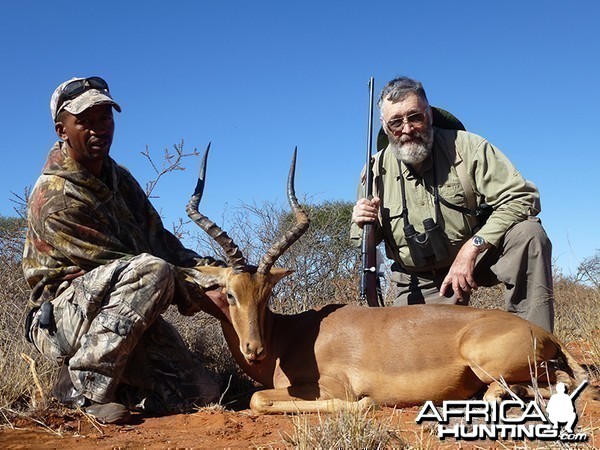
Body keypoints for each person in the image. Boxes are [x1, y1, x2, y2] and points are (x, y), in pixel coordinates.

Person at [23, 76, 231, 424]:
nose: (99, 129)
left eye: (105, 118)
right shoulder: (56, 197)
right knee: (153, 270)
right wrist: (198, 293)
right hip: (63, 318)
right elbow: (129, 264)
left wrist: (220, 273)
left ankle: (122, 384)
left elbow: (160, 241)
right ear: (62, 130)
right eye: (85, 121)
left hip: (117, 309)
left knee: (204, 394)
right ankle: (82, 388)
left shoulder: (119, 176)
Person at [351, 76, 554, 332]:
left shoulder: (468, 147)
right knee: (418, 358)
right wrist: (362, 222)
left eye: (415, 117)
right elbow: (365, 240)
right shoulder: (373, 170)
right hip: (419, 277)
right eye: (396, 122)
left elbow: (522, 198)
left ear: (430, 115)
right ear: (384, 125)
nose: (407, 128)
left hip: (478, 257)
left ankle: (535, 348)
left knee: (528, 234)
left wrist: (473, 247)